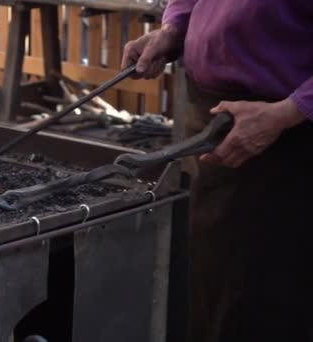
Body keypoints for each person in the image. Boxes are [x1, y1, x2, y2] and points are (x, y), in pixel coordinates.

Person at [121, 1, 313, 341]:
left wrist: (287, 113)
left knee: (268, 305)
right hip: (217, 124)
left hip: (286, 142)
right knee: (216, 299)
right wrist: (173, 30)